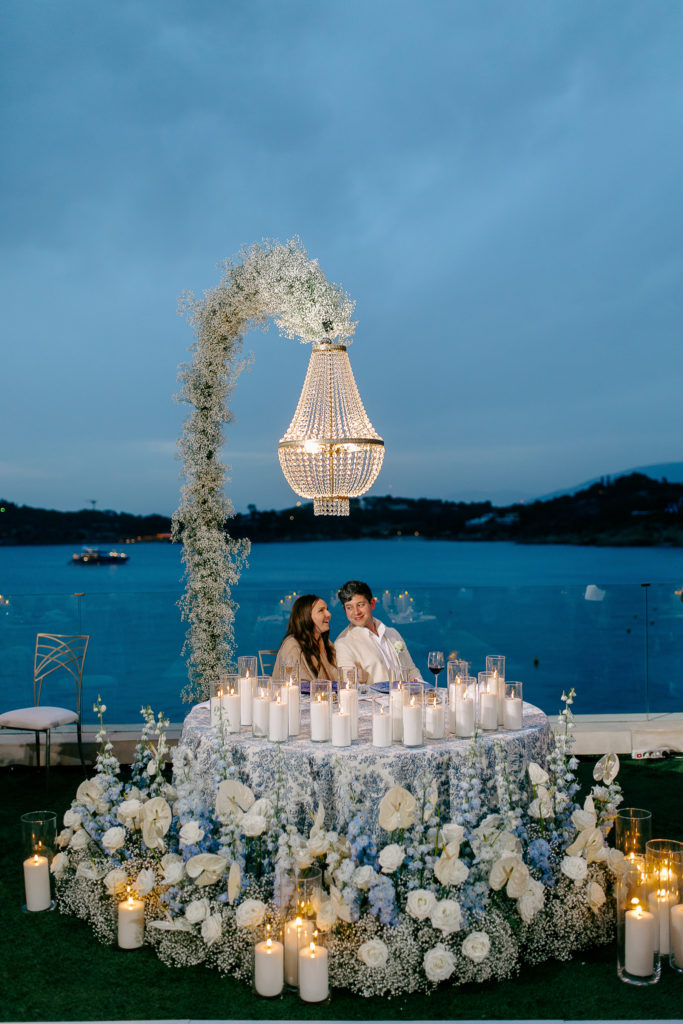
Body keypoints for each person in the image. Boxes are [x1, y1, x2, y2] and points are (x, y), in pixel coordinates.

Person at [334, 580, 422, 684]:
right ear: (345, 610)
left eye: (361, 605)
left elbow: (412, 671)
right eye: (349, 607)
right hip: (375, 700)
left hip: (406, 697)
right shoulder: (342, 644)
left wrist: (421, 691)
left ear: (372, 604)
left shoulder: (392, 633)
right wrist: (360, 680)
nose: (356, 612)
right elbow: (349, 688)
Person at [272, 594, 337, 682]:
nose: (329, 614)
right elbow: (294, 685)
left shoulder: (327, 644)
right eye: (321, 610)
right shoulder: (292, 645)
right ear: (306, 616)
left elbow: (339, 677)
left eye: (327, 609)